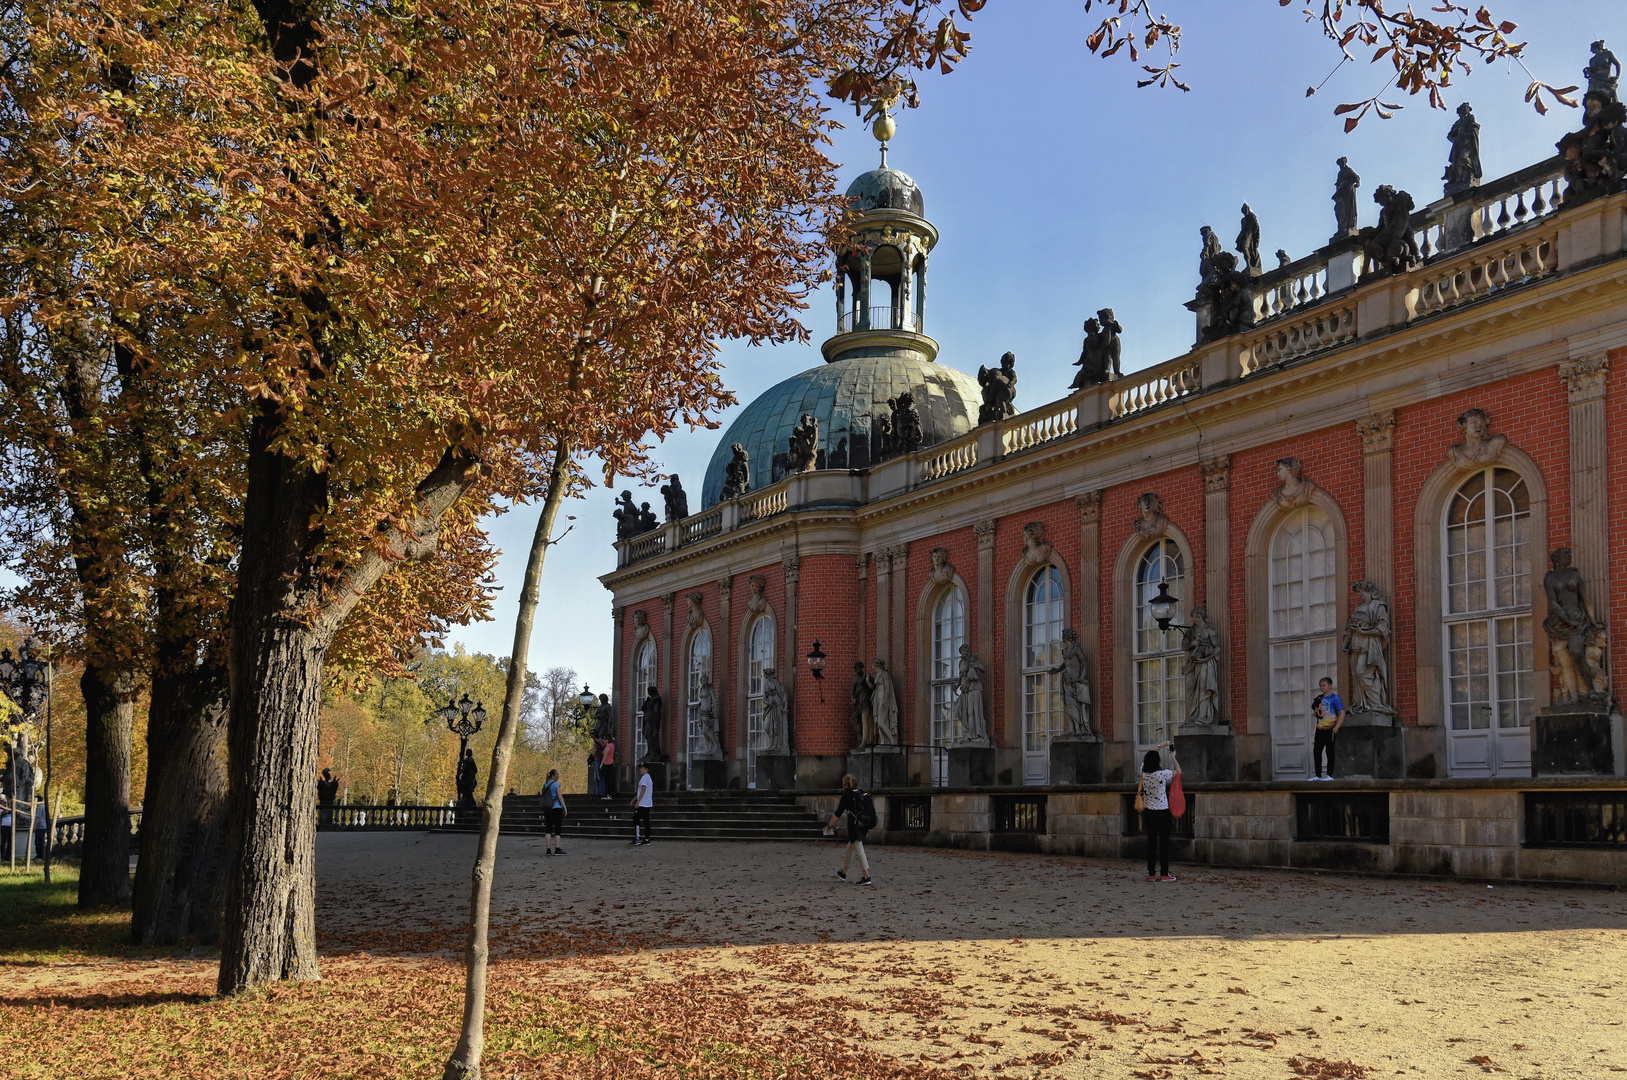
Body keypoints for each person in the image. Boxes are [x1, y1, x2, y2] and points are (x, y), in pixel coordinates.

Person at [823, 773, 875, 887]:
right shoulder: (862, 793)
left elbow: (838, 813)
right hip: (863, 824)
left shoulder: (847, 796)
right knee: (851, 847)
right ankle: (844, 873)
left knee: (858, 848)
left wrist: (829, 826)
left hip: (854, 826)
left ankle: (866, 876)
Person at [1140, 742, 1180, 882]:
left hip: (1149, 812)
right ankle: (1164, 873)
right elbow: (1178, 772)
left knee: (1151, 844)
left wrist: (1160, 745)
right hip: (1162, 812)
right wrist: (1173, 757)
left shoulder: (1143, 772)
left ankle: (1151, 874)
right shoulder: (1162, 774)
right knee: (1164, 844)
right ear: (1158, 762)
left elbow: (1148, 756)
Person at [1311, 677, 1346, 780]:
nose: (1322, 687)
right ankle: (1318, 775)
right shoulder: (1319, 699)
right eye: (1320, 686)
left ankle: (1329, 775)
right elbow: (1316, 712)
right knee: (1317, 752)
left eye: (1324, 685)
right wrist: (1316, 713)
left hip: (1330, 729)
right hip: (1320, 728)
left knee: (1329, 752)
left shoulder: (1335, 698)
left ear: (1330, 686)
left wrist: (1337, 727)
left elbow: (1342, 713)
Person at [541, 768, 566, 855]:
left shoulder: (545, 785)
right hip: (556, 808)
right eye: (557, 774)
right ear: (553, 776)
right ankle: (557, 848)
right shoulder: (556, 784)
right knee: (557, 828)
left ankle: (548, 850)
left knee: (548, 829)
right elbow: (559, 796)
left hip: (547, 808)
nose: (558, 776)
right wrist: (564, 807)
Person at [628, 762, 653, 846]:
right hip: (647, 803)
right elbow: (641, 791)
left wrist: (637, 802)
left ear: (646, 769)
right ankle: (647, 838)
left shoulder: (645, 777)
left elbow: (643, 790)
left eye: (642, 768)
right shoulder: (648, 777)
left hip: (643, 803)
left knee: (636, 819)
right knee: (646, 821)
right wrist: (634, 799)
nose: (640, 769)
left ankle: (637, 838)